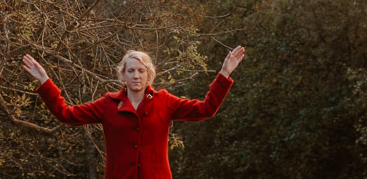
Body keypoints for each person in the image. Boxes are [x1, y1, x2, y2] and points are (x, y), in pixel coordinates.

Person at [20, 46, 245, 179]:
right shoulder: (107, 105)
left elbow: (206, 109)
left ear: (149, 75)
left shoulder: (164, 101)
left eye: (140, 71)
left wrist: (224, 73)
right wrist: (44, 80)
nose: (136, 75)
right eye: (130, 71)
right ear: (123, 76)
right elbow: (65, 114)